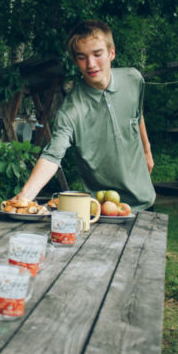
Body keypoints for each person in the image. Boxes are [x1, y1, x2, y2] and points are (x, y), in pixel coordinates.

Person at [14, 20, 155, 212]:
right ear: (75, 61)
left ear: (111, 53)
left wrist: (147, 151)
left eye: (97, 54)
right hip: (101, 208)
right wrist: (25, 196)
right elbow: (52, 156)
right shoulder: (71, 111)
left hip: (145, 201)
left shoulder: (134, 79)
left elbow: (137, 115)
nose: (90, 64)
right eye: (82, 57)